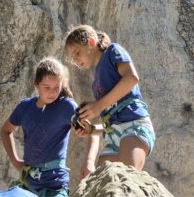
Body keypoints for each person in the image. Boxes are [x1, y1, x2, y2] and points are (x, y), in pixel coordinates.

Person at [64, 25, 155, 177]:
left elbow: (131, 78)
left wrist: (99, 105)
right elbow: (112, 118)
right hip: (113, 138)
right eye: (72, 58)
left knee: (126, 178)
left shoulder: (113, 51)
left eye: (77, 53)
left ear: (91, 43)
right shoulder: (96, 82)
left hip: (134, 126)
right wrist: (92, 130)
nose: (75, 60)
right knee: (99, 186)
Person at [0, 57, 78, 197]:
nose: (52, 92)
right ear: (36, 84)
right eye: (46, 87)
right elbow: (5, 130)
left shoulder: (67, 107)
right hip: (29, 180)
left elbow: (87, 128)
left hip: (55, 181)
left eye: (56, 87)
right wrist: (16, 161)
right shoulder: (25, 107)